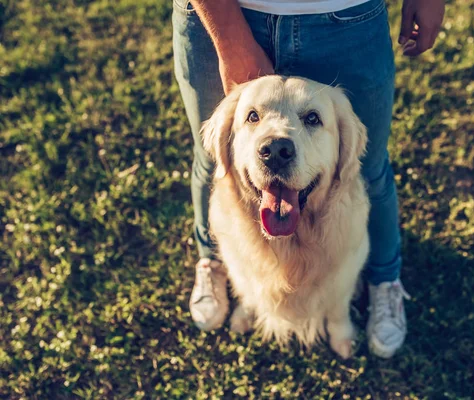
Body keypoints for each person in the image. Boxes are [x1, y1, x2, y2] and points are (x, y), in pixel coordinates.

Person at [172, 0, 444, 358]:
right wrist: (230, 38)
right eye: (253, 117)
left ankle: (377, 283)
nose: (278, 148)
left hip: (349, 16)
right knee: (211, 167)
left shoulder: (346, 150)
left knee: (370, 171)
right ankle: (223, 271)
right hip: (215, 12)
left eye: (312, 120)